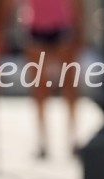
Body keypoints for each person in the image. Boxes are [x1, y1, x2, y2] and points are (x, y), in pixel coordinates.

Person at [18, 0, 83, 159]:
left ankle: (73, 137)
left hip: (61, 25)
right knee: (39, 88)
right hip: (35, 26)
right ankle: (42, 141)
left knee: (69, 85)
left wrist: (80, 30)